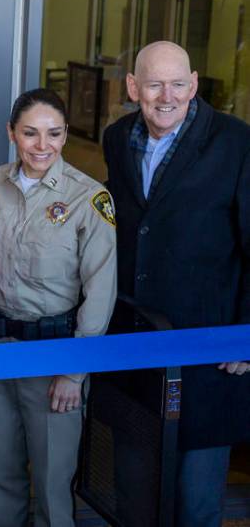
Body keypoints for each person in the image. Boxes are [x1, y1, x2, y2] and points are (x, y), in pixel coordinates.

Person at [103, 40, 250, 526]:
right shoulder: (117, 137)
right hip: (134, 344)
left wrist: (245, 335)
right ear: (132, 88)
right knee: (136, 499)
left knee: (196, 504)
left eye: (179, 83)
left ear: (194, 84)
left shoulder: (237, 142)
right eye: (153, 84)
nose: (167, 96)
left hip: (210, 352)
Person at [0, 88, 117, 527]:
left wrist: (75, 370)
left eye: (54, 134)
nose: (43, 146)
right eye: (30, 133)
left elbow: (101, 291)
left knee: (54, 489)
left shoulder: (89, 199)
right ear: (11, 134)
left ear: (65, 135)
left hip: (55, 356)